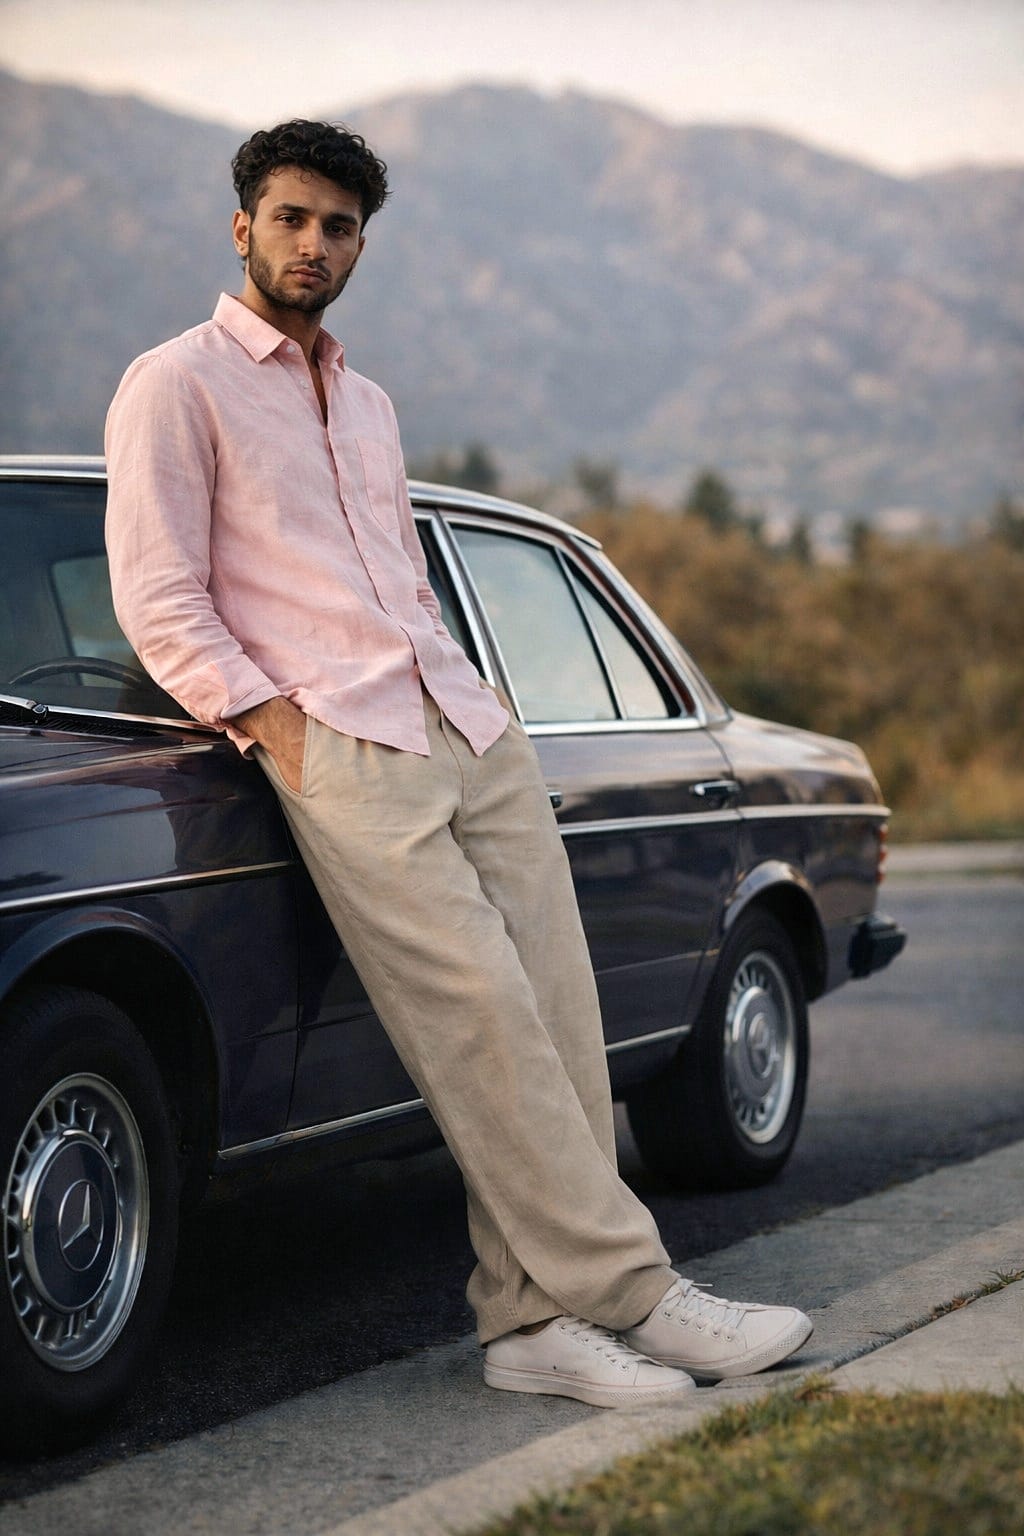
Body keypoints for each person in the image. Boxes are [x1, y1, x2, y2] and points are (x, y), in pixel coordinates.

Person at [105, 119, 812, 1409]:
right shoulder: (175, 383)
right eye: (292, 218)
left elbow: (396, 577)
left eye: (340, 226)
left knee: (555, 1015)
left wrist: (468, 696)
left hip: (467, 729)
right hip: (340, 747)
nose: (314, 243)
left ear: (364, 242)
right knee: (480, 1020)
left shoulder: (367, 404)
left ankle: (532, 1327)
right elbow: (160, 597)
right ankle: (640, 1293)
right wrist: (275, 730)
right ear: (242, 225)